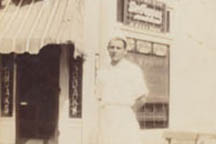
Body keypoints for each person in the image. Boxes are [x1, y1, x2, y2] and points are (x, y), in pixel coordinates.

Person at [96, 34, 149, 144]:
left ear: (125, 51)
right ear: (107, 49)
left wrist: (127, 112)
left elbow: (142, 98)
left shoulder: (133, 70)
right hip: (105, 117)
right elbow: (99, 97)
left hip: (124, 116)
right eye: (112, 47)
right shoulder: (102, 71)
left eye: (118, 48)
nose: (114, 51)